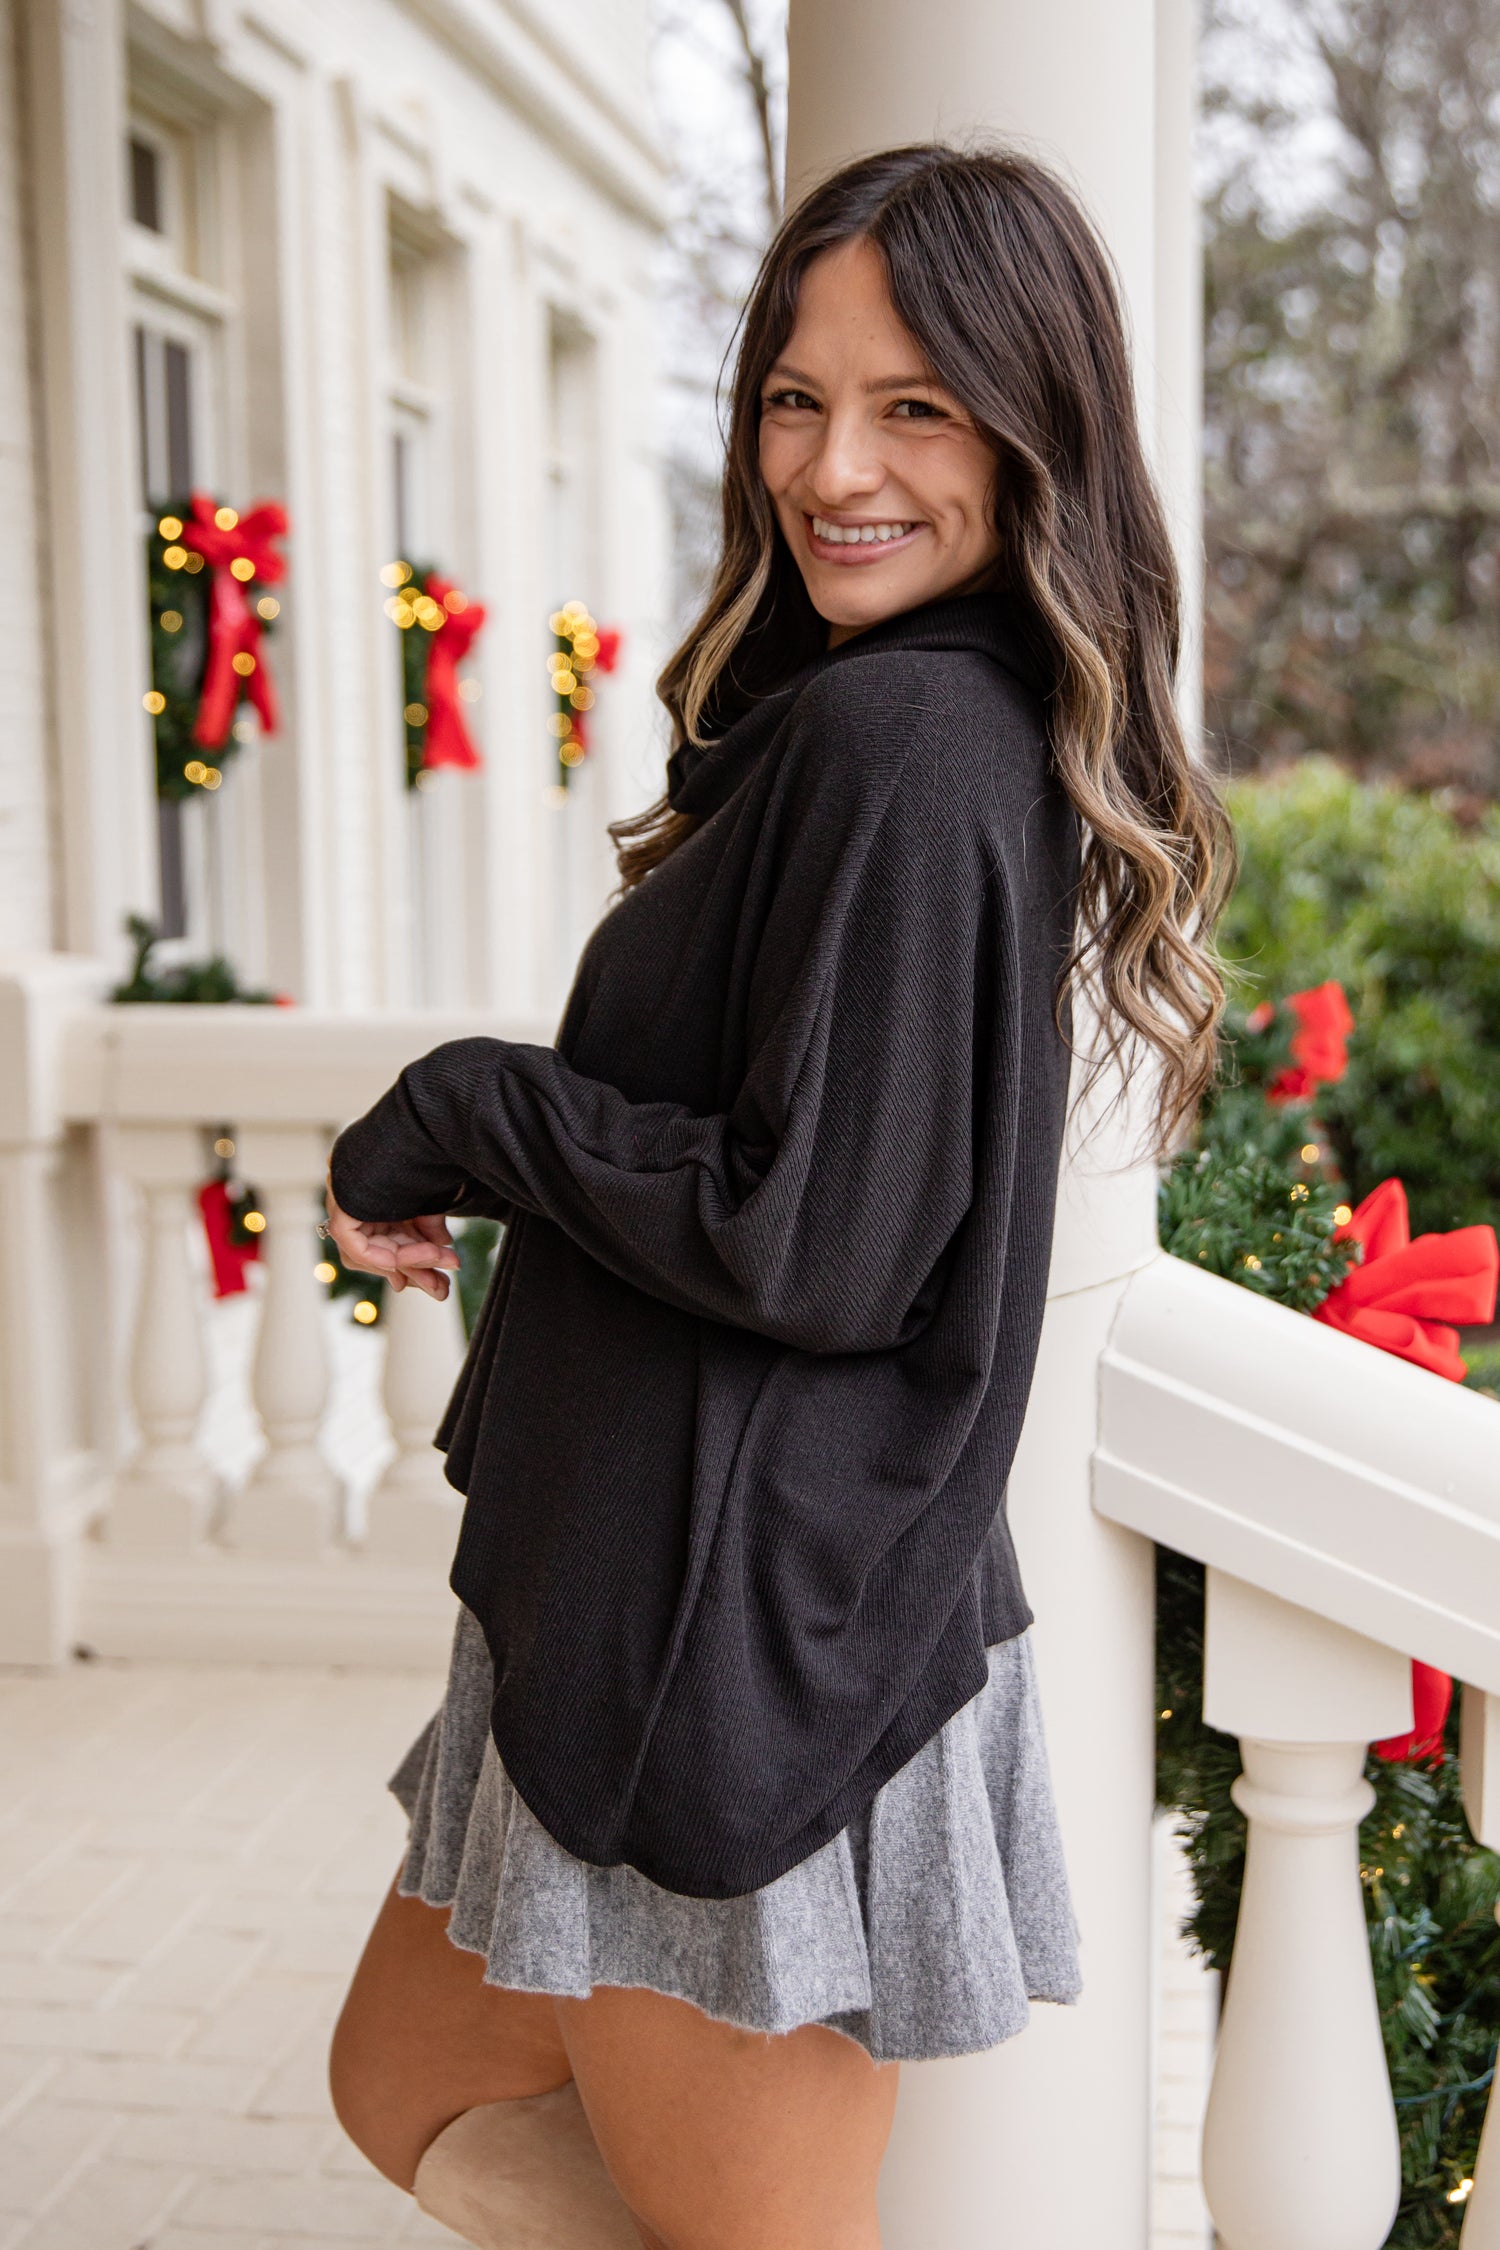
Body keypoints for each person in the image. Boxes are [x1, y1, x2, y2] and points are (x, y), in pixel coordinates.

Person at [323, 144, 1228, 2250]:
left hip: (735, 1635)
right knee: (412, 2082)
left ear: (1031, 428)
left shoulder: (909, 747)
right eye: (795, 398)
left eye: (914, 406)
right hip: (664, 1584)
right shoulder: (868, 717)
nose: (836, 467)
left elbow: (813, 1237)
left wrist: (467, 1107)